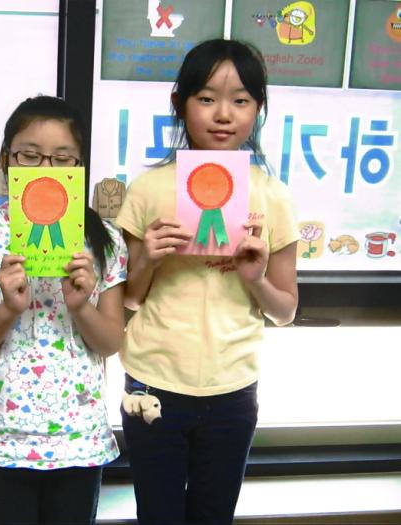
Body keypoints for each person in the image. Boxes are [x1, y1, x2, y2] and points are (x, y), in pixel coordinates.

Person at [116, 39, 299, 525]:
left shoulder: (273, 195)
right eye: (206, 98)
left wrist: (255, 279)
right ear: (180, 104)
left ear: (258, 108)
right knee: (157, 514)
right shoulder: (148, 189)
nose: (223, 114)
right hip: (152, 382)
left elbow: (285, 310)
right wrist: (149, 259)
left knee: (214, 515)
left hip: (232, 386)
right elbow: (129, 299)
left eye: (240, 100)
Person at [0, 95, 128, 525]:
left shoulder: (103, 239)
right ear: (6, 160)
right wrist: (8, 309)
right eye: (30, 155)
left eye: (62, 159)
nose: (45, 169)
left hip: (78, 438)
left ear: (79, 167)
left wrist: (81, 306)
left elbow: (110, 342)